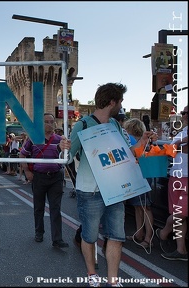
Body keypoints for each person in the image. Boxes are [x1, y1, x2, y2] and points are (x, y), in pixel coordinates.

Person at [67, 82, 158, 287]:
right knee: (89, 237)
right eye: (121, 102)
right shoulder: (82, 126)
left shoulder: (116, 126)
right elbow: (66, 157)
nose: (122, 106)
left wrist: (142, 141)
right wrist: (62, 146)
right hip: (90, 191)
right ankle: (92, 274)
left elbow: (128, 154)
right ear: (112, 102)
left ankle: (113, 280)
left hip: (115, 190)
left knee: (116, 236)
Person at [19, 113, 69, 248]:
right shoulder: (33, 139)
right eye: (46, 121)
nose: (49, 124)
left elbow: (66, 156)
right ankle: (39, 233)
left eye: (51, 121)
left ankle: (57, 239)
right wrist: (27, 172)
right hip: (39, 177)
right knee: (39, 208)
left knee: (55, 209)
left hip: (55, 178)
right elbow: (22, 155)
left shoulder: (59, 140)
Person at [156, 105, 187, 261]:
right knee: (179, 216)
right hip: (175, 177)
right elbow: (170, 150)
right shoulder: (182, 133)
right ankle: (181, 250)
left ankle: (163, 232)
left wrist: (178, 145)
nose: (183, 115)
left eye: (186, 113)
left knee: (181, 213)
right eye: (183, 112)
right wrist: (180, 142)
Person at [123, 118, 155, 252]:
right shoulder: (140, 140)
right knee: (138, 206)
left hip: (142, 174)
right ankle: (139, 233)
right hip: (141, 174)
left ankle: (148, 238)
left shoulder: (138, 141)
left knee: (145, 207)